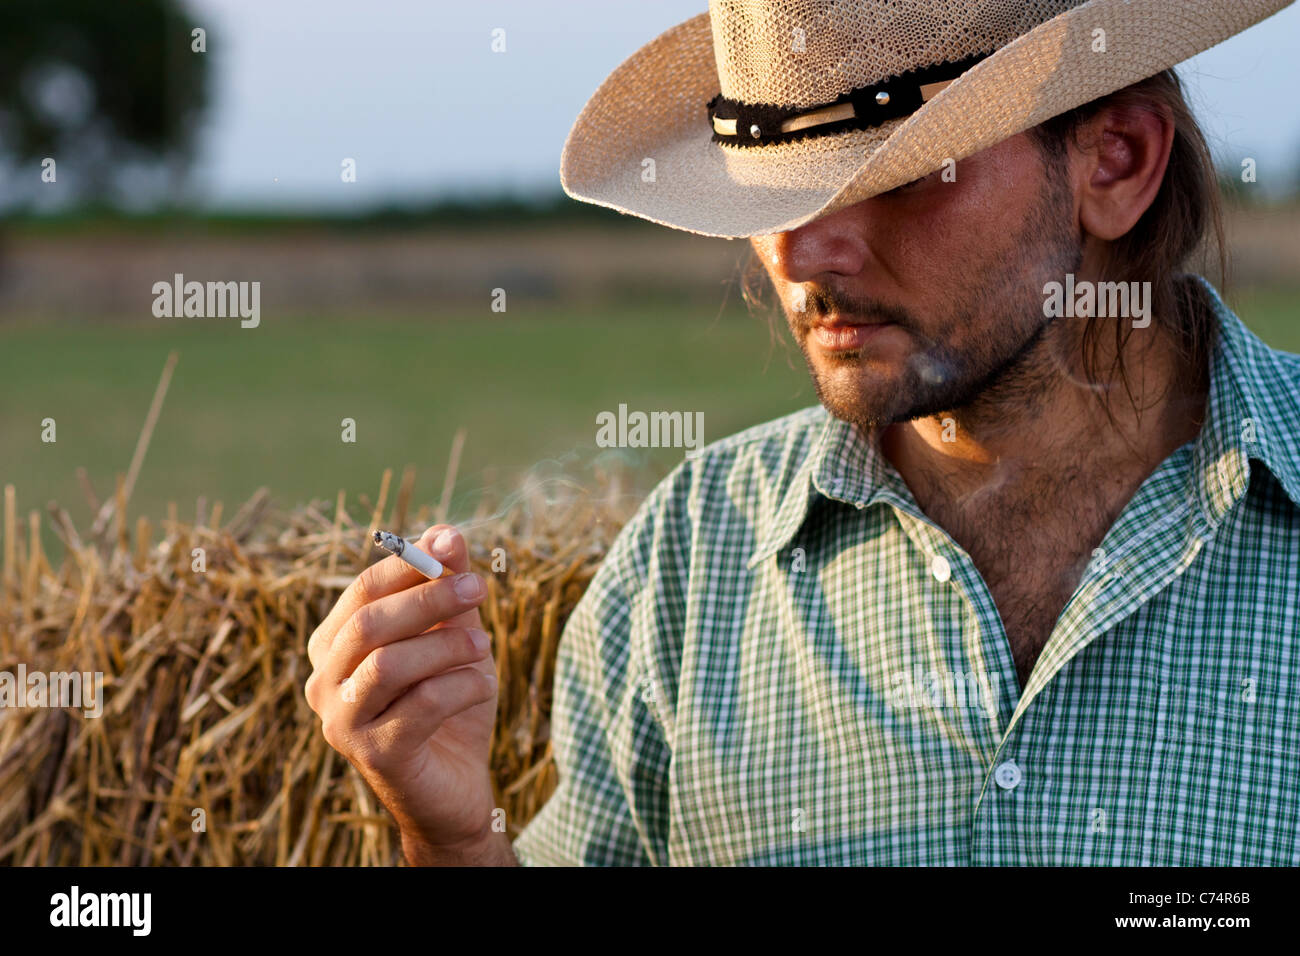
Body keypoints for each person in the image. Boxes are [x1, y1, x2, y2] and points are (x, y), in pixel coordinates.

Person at [305, 0, 1300, 865]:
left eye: (898, 174)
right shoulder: (687, 564)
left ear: (1115, 162)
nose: (798, 252)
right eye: (770, 189)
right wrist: (453, 838)